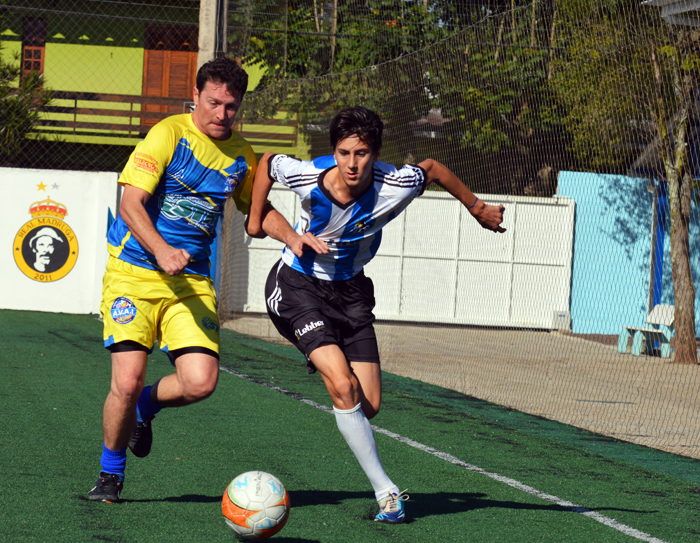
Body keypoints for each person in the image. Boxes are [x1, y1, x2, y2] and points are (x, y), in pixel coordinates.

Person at [246, 105, 506, 524]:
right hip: (297, 288)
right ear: (334, 151)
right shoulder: (308, 176)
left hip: (350, 293)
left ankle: (326, 361)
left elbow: (434, 168)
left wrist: (476, 208)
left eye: (362, 153)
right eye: (344, 152)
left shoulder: (396, 184)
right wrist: (256, 220)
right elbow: (268, 163)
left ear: (375, 153)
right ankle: (387, 493)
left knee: (368, 405)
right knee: (342, 384)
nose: (352, 163)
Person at [88, 57, 292, 503]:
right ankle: (110, 475)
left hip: (191, 280)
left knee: (201, 382)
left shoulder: (241, 154)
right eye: (214, 102)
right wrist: (162, 250)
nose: (221, 114)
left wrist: (294, 237)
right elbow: (131, 203)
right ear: (196, 96)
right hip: (135, 273)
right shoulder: (168, 133)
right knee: (125, 380)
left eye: (231, 107)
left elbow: (255, 213)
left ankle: (147, 406)